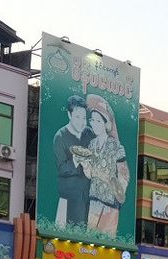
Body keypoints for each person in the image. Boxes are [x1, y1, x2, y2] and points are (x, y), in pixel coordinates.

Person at [82, 94, 129, 236]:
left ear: (105, 123)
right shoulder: (92, 144)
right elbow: (89, 174)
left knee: (107, 241)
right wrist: (84, 164)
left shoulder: (116, 146)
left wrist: (118, 192)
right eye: (92, 120)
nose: (94, 123)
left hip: (111, 203)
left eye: (97, 120)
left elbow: (124, 174)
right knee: (91, 239)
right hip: (95, 199)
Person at [52, 94, 94, 227]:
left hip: (89, 193)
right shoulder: (60, 136)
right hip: (70, 194)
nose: (81, 122)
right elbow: (62, 167)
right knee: (73, 233)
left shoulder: (89, 133)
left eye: (84, 118)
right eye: (77, 117)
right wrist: (76, 160)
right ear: (69, 115)